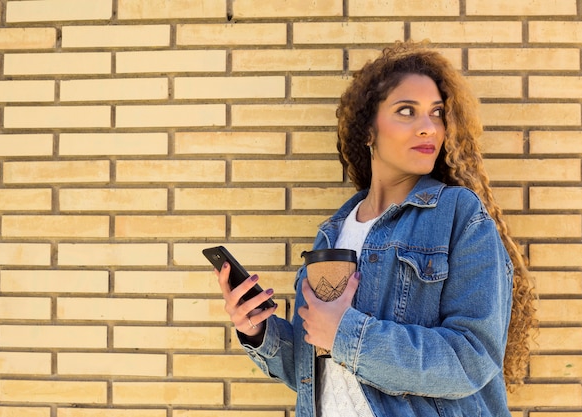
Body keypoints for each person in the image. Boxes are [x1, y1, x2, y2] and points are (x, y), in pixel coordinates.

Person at [216, 40, 537, 416]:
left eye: (436, 113)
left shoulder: (458, 214)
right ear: (369, 130)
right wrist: (258, 329)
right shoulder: (333, 232)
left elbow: (471, 359)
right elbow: (316, 373)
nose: (427, 128)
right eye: (407, 111)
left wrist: (347, 334)